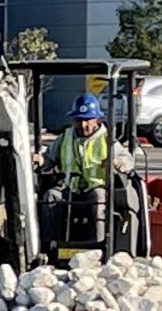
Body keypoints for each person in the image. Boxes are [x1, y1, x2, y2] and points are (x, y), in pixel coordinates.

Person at [46, 93, 112, 250]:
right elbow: (48, 158)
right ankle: (50, 246)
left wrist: (117, 162)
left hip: (95, 188)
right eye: (78, 120)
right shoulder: (64, 138)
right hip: (69, 189)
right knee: (51, 196)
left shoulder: (108, 139)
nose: (83, 125)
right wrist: (39, 160)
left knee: (99, 198)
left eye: (87, 120)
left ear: (96, 119)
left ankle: (98, 248)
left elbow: (127, 160)